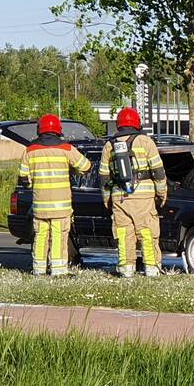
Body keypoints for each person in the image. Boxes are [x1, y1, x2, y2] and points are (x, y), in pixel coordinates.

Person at [17, 114, 92, 276]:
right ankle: (58, 270)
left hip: (40, 206)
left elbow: (23, 178)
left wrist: (33, 185)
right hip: (61, 206)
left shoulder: (30, 151)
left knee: (40, 236)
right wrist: (73, 171)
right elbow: (86, 166)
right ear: (58, 130)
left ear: (39, 130)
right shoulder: (66, 149)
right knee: (59, 235)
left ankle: (38, 269)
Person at [99, 107, 168, 278]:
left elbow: (104, 176)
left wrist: (107, 198)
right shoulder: (146, 142)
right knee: (147, 231)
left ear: (118, 124)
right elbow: (158, 171)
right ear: (137, 123)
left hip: (119, 197)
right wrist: (162, 194)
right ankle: (151, 268)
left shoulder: (109, 145)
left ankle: (126, 269)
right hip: (143, 197)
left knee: (123, 234)